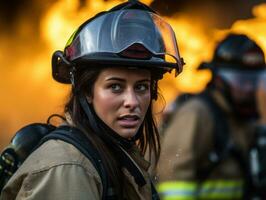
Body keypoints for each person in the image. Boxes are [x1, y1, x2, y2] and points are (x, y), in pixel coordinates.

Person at [0, 1, 184, 200]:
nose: (132, 101)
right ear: (87, 90)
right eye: (115, 86)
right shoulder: (69, 170)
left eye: (141, 87)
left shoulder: (111, 153)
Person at [156, 33, 266, 200]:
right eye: (241, 80)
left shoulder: (244, 119)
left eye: (255, 80)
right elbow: (173, 184)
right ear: (219, 80)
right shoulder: (197, 114)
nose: (249, 88)